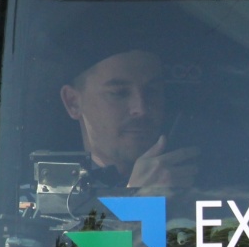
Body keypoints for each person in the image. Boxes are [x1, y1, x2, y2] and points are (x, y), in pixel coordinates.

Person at [59, 48, 198, 193]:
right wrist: (138, 199)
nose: (141, 109)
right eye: (119, 93)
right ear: (73, 103)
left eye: (152, 91)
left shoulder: (204, 183)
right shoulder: (52, 195)